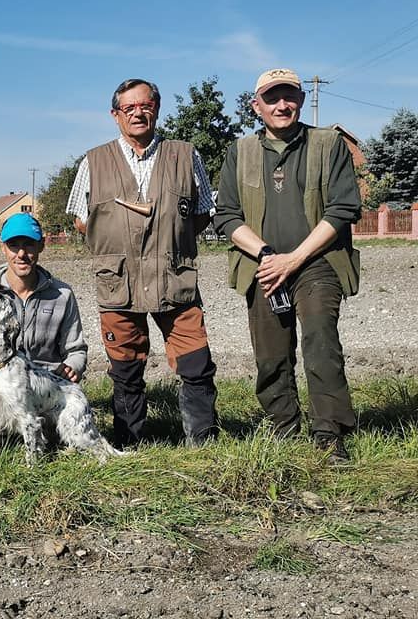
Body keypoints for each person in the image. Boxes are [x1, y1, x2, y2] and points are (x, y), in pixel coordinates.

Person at [214, 68, 362, 464]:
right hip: (261, 265)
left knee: (321, 344)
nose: (283, 105)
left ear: (299, 98)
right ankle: (282, 427)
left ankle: (330, 434)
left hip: (317, 262)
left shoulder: (327, 143)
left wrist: (294, 258)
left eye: (290, 96)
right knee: (271, 354)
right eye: (273, 98)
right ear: (256, 105)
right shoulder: (240, 151)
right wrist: (266, 256)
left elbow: (344, 208)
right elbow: (226, 216)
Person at [65, 78, 218, 447]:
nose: (138, 113)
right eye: (129, 108)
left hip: (175, 279)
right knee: (126, 371)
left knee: (196, 365)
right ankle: (128, 444)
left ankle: (204, 443)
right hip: (118, 283)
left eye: (145, 105)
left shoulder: (185, 154)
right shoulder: (94, 160)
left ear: (157, 108)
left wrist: (171, 241)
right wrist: (117, 246)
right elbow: (81, 220)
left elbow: (202, 212)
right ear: (115, 115)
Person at [0, 213, 87, 442]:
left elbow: (77, 349)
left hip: (46, 397)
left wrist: (74, 365)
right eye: (13, 245)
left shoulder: (61, 295)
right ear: (2, 248)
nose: (21, 254)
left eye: (29, 245)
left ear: (41, 246)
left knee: (63, 442)